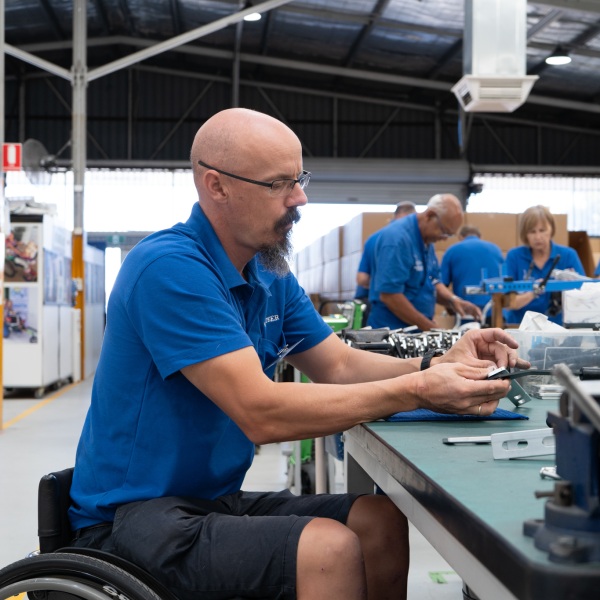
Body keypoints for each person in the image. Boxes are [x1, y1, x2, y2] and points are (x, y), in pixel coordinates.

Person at [69, 108, 528, 600]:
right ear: (216, 186)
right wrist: (417, 389)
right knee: (327, 549)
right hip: (133, 518)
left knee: (379, 521)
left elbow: (339, 364)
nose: (300, 198)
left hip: (210, 501)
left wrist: (435, 365)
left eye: (300, 178)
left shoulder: (268, 270)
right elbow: (260, 412)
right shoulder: (169, 269)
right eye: (279, 184)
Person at [367, 193, 482, 331]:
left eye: (449, 235)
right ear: (429, 215)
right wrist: (430, 328)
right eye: (444, 231)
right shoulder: (397, 240)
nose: (444, 238)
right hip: (393, 333)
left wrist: (453, 301)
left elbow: (433, 280)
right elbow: (390, 296)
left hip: (415, 331)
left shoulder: (426, 239)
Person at [504, 205, 585, 325]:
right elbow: (508, 303)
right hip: (520, 326)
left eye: (542, 230)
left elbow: (584, 294)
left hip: (558, 328)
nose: (538, 237)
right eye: (532, 232)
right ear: (525, 234)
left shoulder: (568, 255)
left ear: (551, 229)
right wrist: (534, 292)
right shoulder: (514, 256)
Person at [441, 225, 504, 323]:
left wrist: (450, 306)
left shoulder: (452, 250)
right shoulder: (496, 249)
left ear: (461, 237)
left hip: (465, 312)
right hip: (493, 312)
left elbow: (441, 285)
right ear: (480, 236)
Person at [354, 201, 417, 300]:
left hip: (367, 300)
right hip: (383, 302)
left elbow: (362, 279)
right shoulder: (405, 240)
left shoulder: (373, 238)